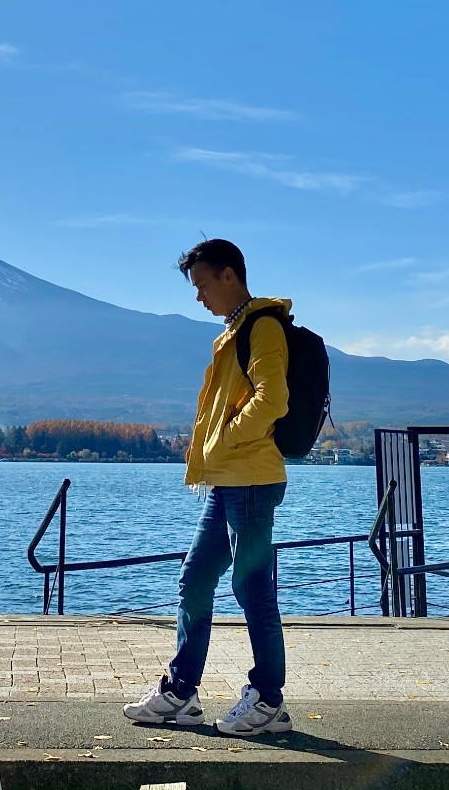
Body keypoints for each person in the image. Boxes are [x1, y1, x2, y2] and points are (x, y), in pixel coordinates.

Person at [123, 237, 293, 736]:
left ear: (229, 275)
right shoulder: (236, 330)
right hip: (227, 482)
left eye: (202, 284)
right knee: (196, 578)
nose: (198, 297)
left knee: (252, 588)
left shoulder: (262, 328)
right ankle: (180, 691)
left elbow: (273, 399)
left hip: (253, 481)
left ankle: (268, 700)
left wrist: (228, 438)